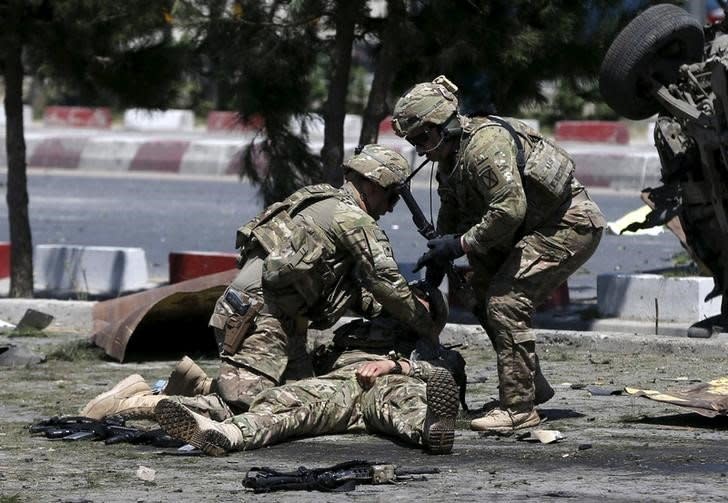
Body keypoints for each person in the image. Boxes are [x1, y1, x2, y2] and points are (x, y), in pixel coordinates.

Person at [79, 144, 442, 421]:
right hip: (261, 319)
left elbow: (346, 289)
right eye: (393, 195)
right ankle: (136, 403)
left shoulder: (319, 200)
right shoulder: (355, 222)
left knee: (296, 400)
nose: (393, 207)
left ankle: (188, 383)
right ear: (373, 185)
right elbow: (389, 283)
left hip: (270, 317)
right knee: (247, 409)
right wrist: (423, 323)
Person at [391, 76, 606, 432]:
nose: (421, 150)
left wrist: (458, 244)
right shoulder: (451, 157)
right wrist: (438, 261)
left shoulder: (485, 147)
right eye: (414, 142)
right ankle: (531, 385)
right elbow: (451, 215)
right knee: (478, 292)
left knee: (506, 301)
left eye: (423, 139)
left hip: (568, 225)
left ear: (443, 125)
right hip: (528, 230)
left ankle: (519, 409)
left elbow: (509, 211)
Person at [154, 315, 461, 456]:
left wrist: (397, 365)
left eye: (422, 299)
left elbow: (446, 374)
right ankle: (222, 431)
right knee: (285, 401)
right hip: (344, 384)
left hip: (393, 382)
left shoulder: (429, 347)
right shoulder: (355, 331)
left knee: (406, 403)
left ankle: (432, 430)